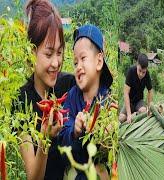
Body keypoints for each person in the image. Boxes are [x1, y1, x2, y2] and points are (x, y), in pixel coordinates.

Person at [14, 0, 75, 179]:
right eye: (48, 54)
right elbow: (33, 177)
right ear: (31, 53)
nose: (56, 63)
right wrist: (44, 140)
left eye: (59, 52)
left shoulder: (68, 85)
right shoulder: (22, 101)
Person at [60, 24, 113, 179]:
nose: (78, 67)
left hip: (98, 169)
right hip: (75, 168)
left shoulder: (108, 101)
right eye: (75, 62)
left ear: (98, 62)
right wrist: (74, 131)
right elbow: (63, 133)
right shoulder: (71, 97)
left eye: (83, 58)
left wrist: (105, 135)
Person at [119, 54, 153, 123]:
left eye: (143, 72)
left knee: (143, 111)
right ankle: (132, 114)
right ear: (137, 64)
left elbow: (150, 91)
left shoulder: (147, 75)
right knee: (121, 118)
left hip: (139, 101)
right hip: (130, 102)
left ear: (146, 69)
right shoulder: (131, 71)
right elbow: (126, 93)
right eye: (139, 70)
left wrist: (149, 107)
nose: (141, 74)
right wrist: (128, 114)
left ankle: (135, 114)